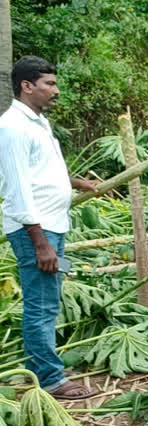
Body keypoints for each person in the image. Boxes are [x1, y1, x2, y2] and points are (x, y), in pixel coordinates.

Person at [0, 56, 97, 399]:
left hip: (52, 225)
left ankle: (47, 366)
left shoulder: (38, 123)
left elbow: (38, 170)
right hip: (34, 231)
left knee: (49, 300)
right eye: (49, 84)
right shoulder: (13, 126)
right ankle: (51, 379)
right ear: (27, 86)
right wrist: (40, 243)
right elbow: (16, 188)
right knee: (41, 305)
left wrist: (74, 181)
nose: (56, 91)